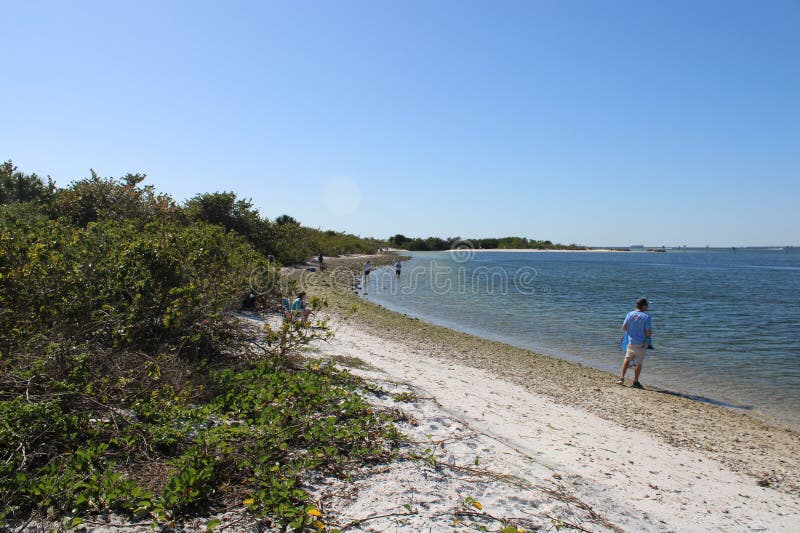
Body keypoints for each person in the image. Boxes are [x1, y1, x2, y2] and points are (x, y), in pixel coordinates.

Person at [616, 297, 652, 388]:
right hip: (641, 343)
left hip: (630, 342)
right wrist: (648, 339)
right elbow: (648, 332)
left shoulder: (629, 314)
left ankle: (621, 378)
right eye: (647, 305)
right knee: (639, 363)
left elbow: (624, 327)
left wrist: (631, 331)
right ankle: (635, 382)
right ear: (644, 306)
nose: (647, 307)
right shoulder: (646, 317)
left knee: (627, 359)